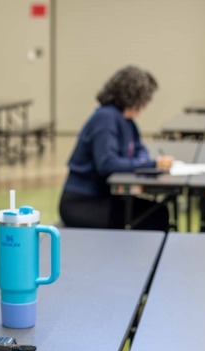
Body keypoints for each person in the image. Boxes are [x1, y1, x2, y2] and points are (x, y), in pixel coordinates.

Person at [59, 65, 174, 230]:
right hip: (83, 203)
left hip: (104, 198)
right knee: (155, 215)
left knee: (159, 211)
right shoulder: (105, 118)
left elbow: (140, 149)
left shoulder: (127, 121)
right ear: (135, 98)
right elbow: (107, 164)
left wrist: (143, 160)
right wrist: (151, 164)